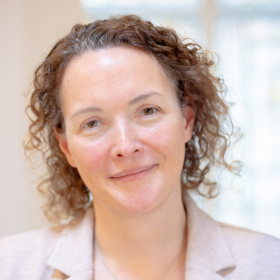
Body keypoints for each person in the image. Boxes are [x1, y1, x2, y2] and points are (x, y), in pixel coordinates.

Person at [0, 14, 279, 280]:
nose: (125, 145)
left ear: (186, 121)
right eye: (93, 123)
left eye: (148, 110)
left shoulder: (269, 264)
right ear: (66, 148)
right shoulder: (10, 267)